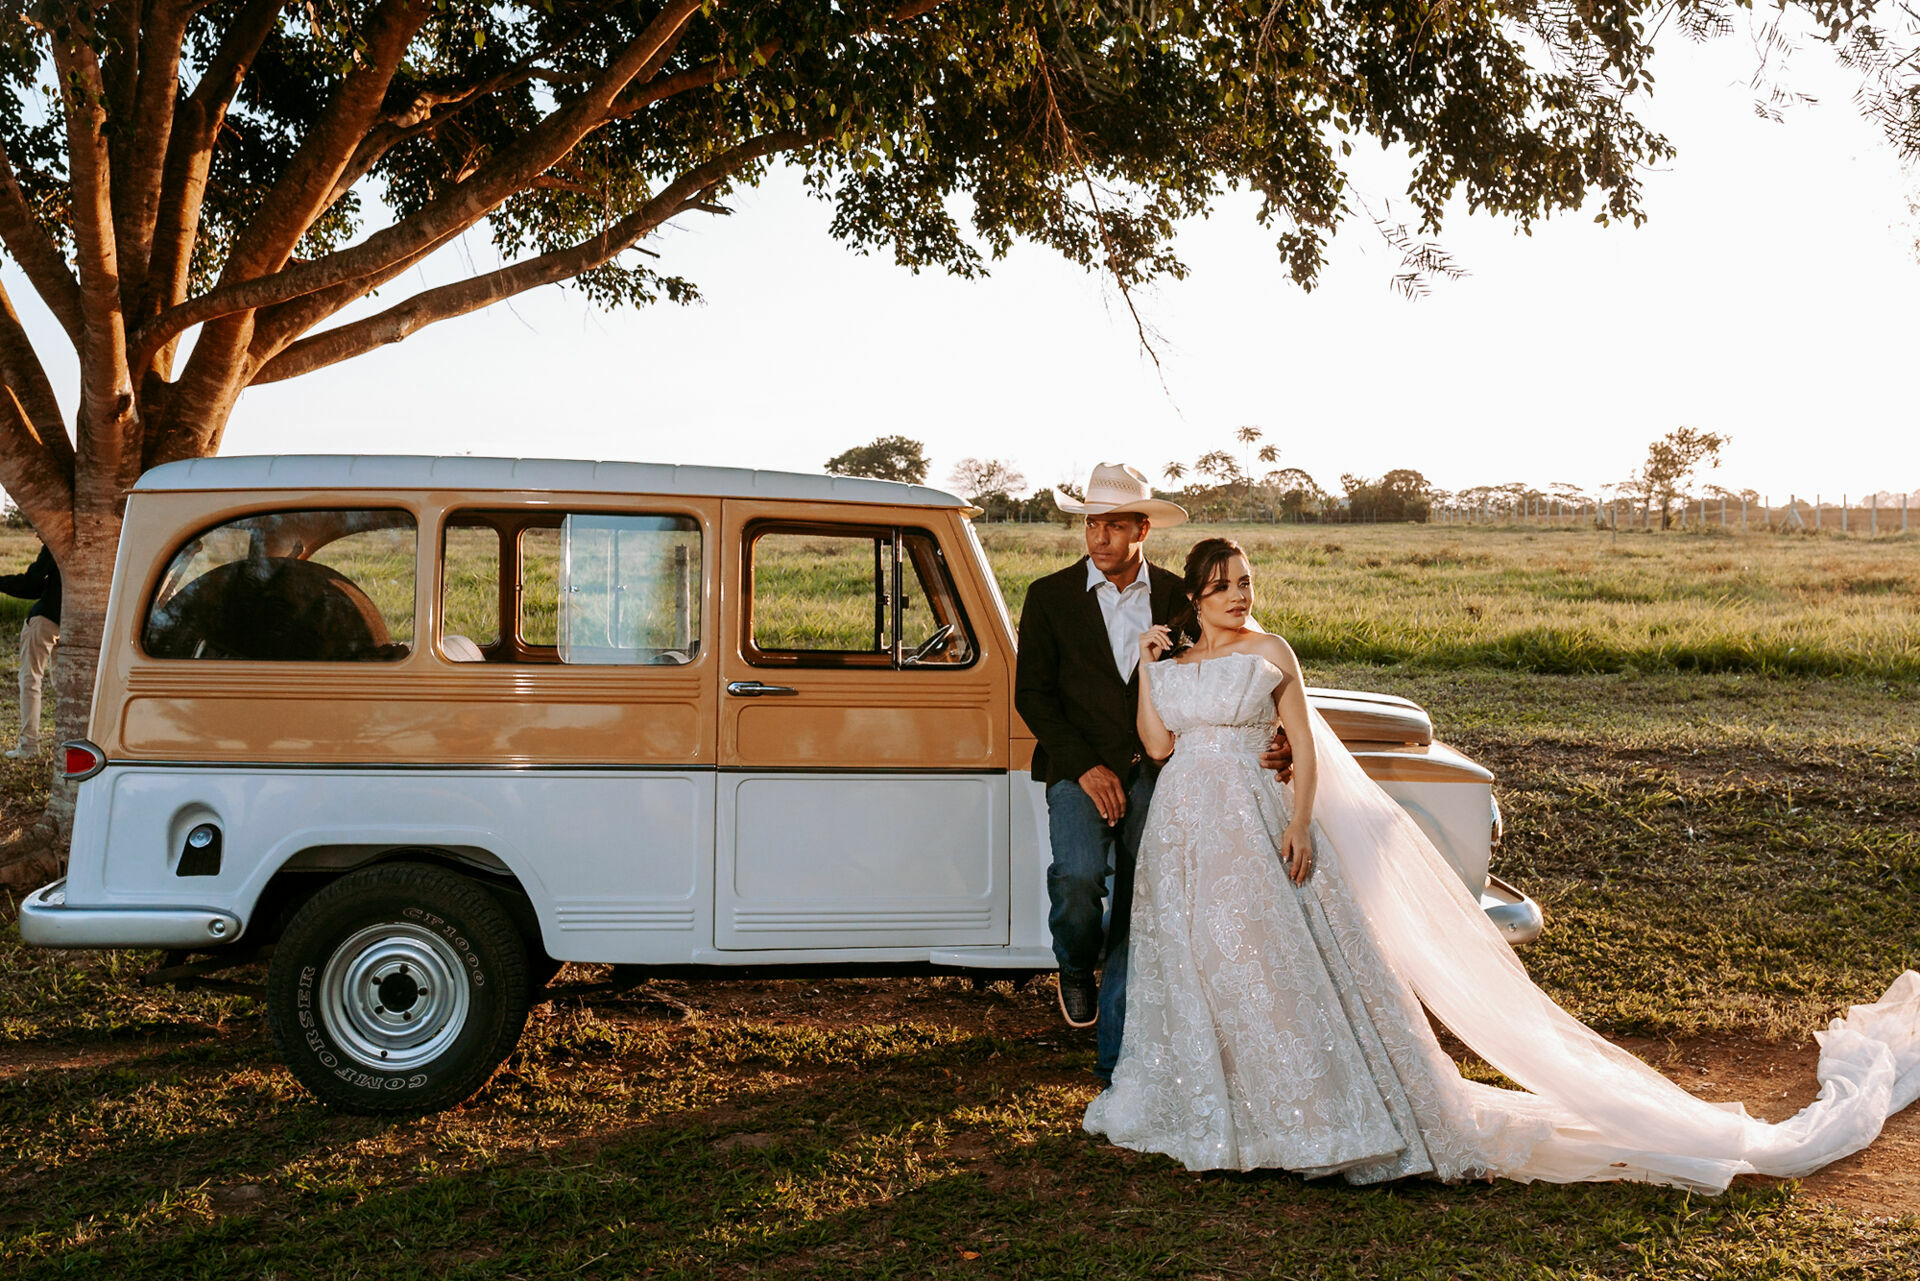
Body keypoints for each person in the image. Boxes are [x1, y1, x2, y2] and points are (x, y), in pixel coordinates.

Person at [1084, 536, 1920, 1191]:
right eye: (1227, 582)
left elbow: (1300, 743)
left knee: (1270, 960)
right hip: (1187, 829)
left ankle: (1308, 1110)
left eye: (1247, 579)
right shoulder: (1174, 661)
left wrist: (1300, 822)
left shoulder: (1274, 654)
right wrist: (1148, 672)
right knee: (1203, 964)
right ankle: (1213, 1104)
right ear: (1195, 595)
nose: (1242, 592)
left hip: (1256, 821)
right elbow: (1157, 747)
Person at [1013, 464, 1188, 1083]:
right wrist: (1085, 766)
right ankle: (1073, 965)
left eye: (1115, 524)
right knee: (1080, 877)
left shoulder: (1177, 597)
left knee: (1144, 894)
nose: (1100, 537)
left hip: (1158, 768)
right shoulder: (1049, 596)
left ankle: (1118, 1042)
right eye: (1092, 524)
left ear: (1143, 528)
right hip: (1075, 765)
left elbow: (1207, 672)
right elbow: (1032, 695)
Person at [0, 542, 59, 759]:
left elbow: (31, 583)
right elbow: (38, 587)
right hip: (76, 621)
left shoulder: (56, 545)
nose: (36, 533)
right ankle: (68, 743)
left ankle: (29, 746)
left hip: (45, 620)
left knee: (30, 680)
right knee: (65, 686)